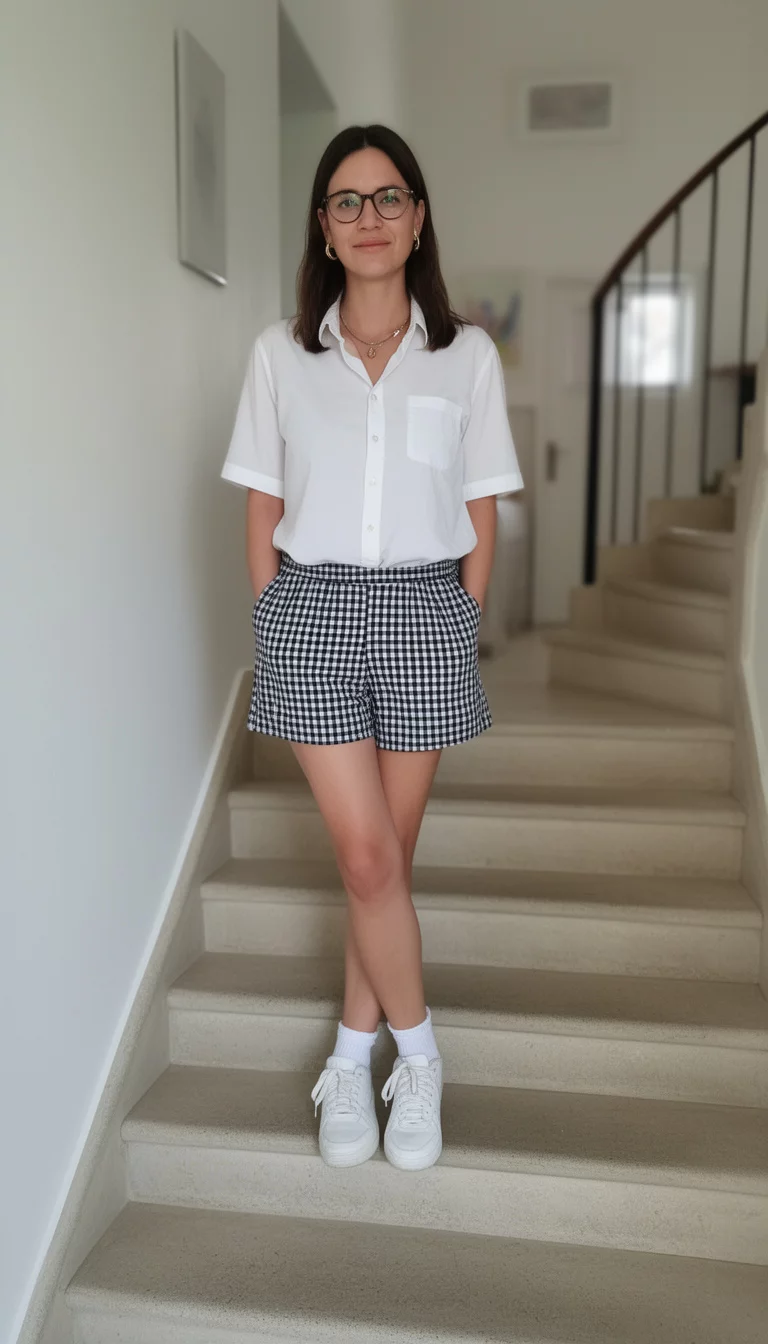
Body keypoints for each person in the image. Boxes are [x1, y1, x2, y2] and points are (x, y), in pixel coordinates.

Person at [221, 124, 522, 1172]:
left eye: (388, 197)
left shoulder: (466, 355)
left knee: (387, 857)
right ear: (324, 226)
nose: (369, 217)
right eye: (346, 201)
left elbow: (482, 508)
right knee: (365, 855)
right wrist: (275, 613)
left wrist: (462, 619)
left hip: (427, 611)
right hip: (312, 609)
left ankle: (353, 1056)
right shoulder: (281, 354)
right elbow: (262, 502)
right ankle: (421, 1056)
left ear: (419, 217)